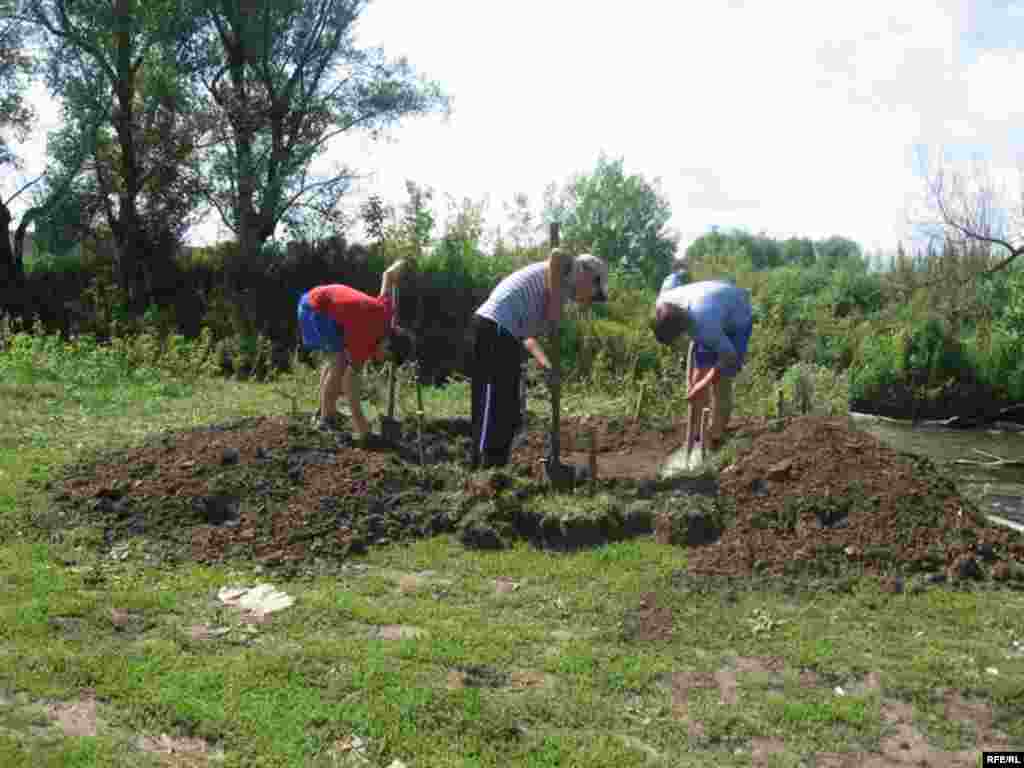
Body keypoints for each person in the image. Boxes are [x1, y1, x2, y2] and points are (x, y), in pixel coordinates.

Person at [470, 249, 609, 468]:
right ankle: (484, 468)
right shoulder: (570, 269)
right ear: (590, 276)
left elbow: (529, 338)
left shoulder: (562, 288)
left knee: (510, 409)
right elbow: (557, 254)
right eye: (595, 293)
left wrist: (547, 366)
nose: (590, 300)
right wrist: (555, 306)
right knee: (495, 405)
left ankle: (497, 467)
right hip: (496, 325)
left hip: (508, 333)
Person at [297, 260, 412, 438]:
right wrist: (361, 423)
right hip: (316, 308)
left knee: (336, 360)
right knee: (339, 363)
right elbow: (350, 383)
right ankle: (326, 419)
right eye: (387, 358)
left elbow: (388, 276)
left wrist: (402, 263)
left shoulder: (386, 313)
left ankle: (326, 411)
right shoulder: (366, 337)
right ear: (388, 344)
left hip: (319, 301)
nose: (381, 362)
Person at [653, 280, 753, 451]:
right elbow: (673, 279)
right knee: (699, 375)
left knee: (721, 382)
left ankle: (715, 436)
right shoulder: (663, 302)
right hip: (713, 302)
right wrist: (698, 382)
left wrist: (702, 385)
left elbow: (729, 356)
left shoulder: (705, 325)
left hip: (737, 315)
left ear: (682, 329)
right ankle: (696, 435)